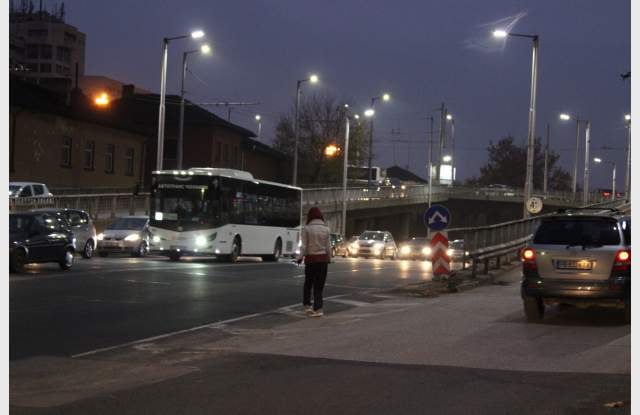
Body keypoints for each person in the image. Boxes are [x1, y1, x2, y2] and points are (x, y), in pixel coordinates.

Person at [298, 207, 332, 317]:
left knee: (308, 284)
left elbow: (304, 246)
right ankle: (319, 309)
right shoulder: (326, 229)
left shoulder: (306, 229)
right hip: (322, 261)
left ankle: (307, 306)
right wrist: (329, 258)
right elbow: (328, 246)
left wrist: (300, 257)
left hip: (311, 260)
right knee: (319, 286)